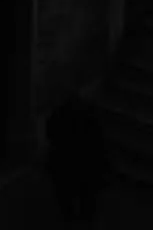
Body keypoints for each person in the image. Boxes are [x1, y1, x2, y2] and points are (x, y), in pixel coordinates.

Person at [45, 92, 108, 229]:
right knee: (87, 200)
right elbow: (100, 141)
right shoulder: (91, 116)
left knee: (67, 198)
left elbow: (50, 131)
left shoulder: (61, 113)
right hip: (85, 163)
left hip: (66, 161)